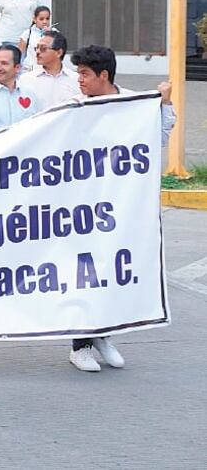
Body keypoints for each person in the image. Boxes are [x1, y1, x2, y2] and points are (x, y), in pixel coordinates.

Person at [66, 44, 174, 373]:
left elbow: (160, 136)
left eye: (85, 74)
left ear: (104, 75)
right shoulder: (74, 109)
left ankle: (103, 335)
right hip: (84, 208)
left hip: (122, 208)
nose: (80, 81)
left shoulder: (134, 106)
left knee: (114, 271)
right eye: (78, 74)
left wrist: (164, 104)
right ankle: (80, 345)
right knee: (84, 274)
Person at [19, 30, 78, 111]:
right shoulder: (26, 80)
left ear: (59, 53)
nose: (37, 52)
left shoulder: (76, 80)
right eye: (36, 48)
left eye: (43, 48)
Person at [17, 6, 52, 71]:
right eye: (41, 19)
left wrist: (50, 34)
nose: (45, 21)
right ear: (34, 19)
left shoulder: (54, 33)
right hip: (30, 70)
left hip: (47, 70)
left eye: (47, 19)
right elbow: (19, 54)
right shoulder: (27, 34)